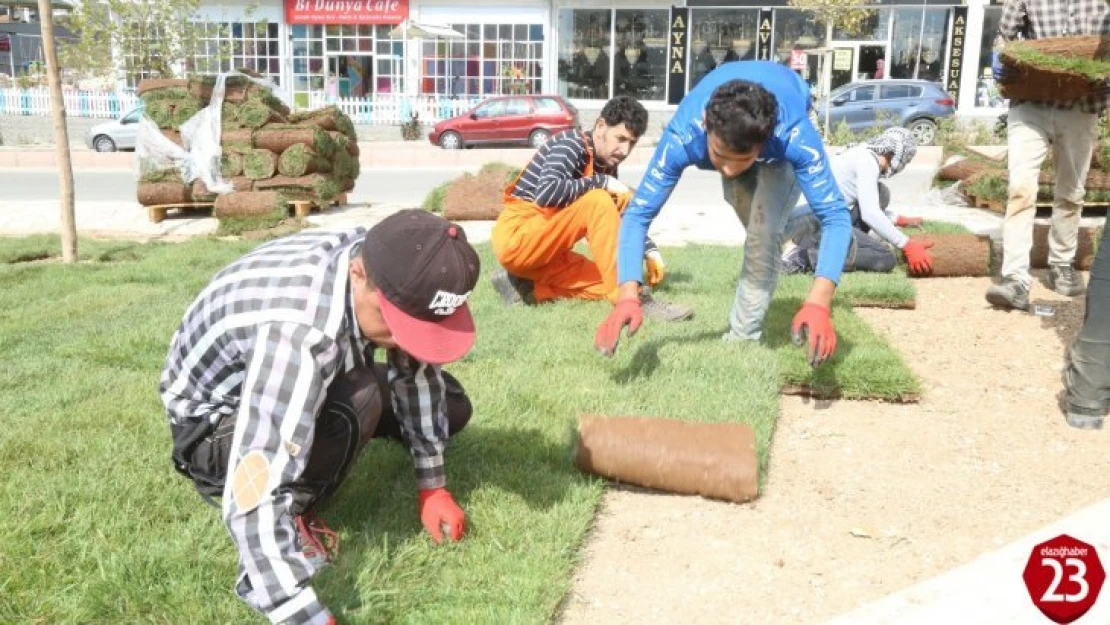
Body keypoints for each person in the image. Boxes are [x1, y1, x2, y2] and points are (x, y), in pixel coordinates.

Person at [160, 210, 480, 624]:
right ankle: (297, 512)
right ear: (359, 273)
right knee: (361, 398)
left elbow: (416, 374)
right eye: (396, 323)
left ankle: (347, 425)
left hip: (304, 365)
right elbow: (254, 488)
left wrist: (432, 487)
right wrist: (302, 615)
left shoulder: (387, 259)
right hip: (214, 432)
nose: (403, 340)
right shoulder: (297, 332)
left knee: (451, 406)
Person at [594, 61, 853, 367]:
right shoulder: (682, 136)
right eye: (720, 156)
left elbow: (835, 215)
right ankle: (809, 220)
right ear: (705, 123)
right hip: (731, 120)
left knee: (762, 236)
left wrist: (819, 302)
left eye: (741, 159)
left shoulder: (793, 134)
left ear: (766, 139)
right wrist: (627, 294)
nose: (728, 169)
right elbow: (637, 215)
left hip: (784, 117)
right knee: (759, 225)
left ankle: (741, 340)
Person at [490, 95, 692, 321]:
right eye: (620, 138)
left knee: (608, 280)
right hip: (518, 239)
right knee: (598, 199)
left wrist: (649, 248)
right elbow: (546, 193)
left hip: (549, 254)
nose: (624, 150)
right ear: (600, 126)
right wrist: (600, 183)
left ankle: (522, 286)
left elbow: (622, 214)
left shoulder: (605, 162)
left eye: (632, 143)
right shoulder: (569, 144)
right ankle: (635, 302)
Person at [985, 0, 1110, 311]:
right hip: (1031, 104)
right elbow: (1005, 35)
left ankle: (1061, 263)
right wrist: (1000, 55)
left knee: (1071, 191)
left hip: (1082, 105)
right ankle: (1015, 278)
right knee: (1020, 190)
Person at [782, 127, 934, 276]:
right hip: (814, 225)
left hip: (817, 218)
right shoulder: (867, 162)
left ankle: (844, 247)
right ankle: (803, 257)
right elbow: (870, 213)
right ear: (895, 154)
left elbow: (868, 200)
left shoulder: (861, 153)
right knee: (885, 257)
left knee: (882, 192)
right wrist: (906, 244)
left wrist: (897, 219)